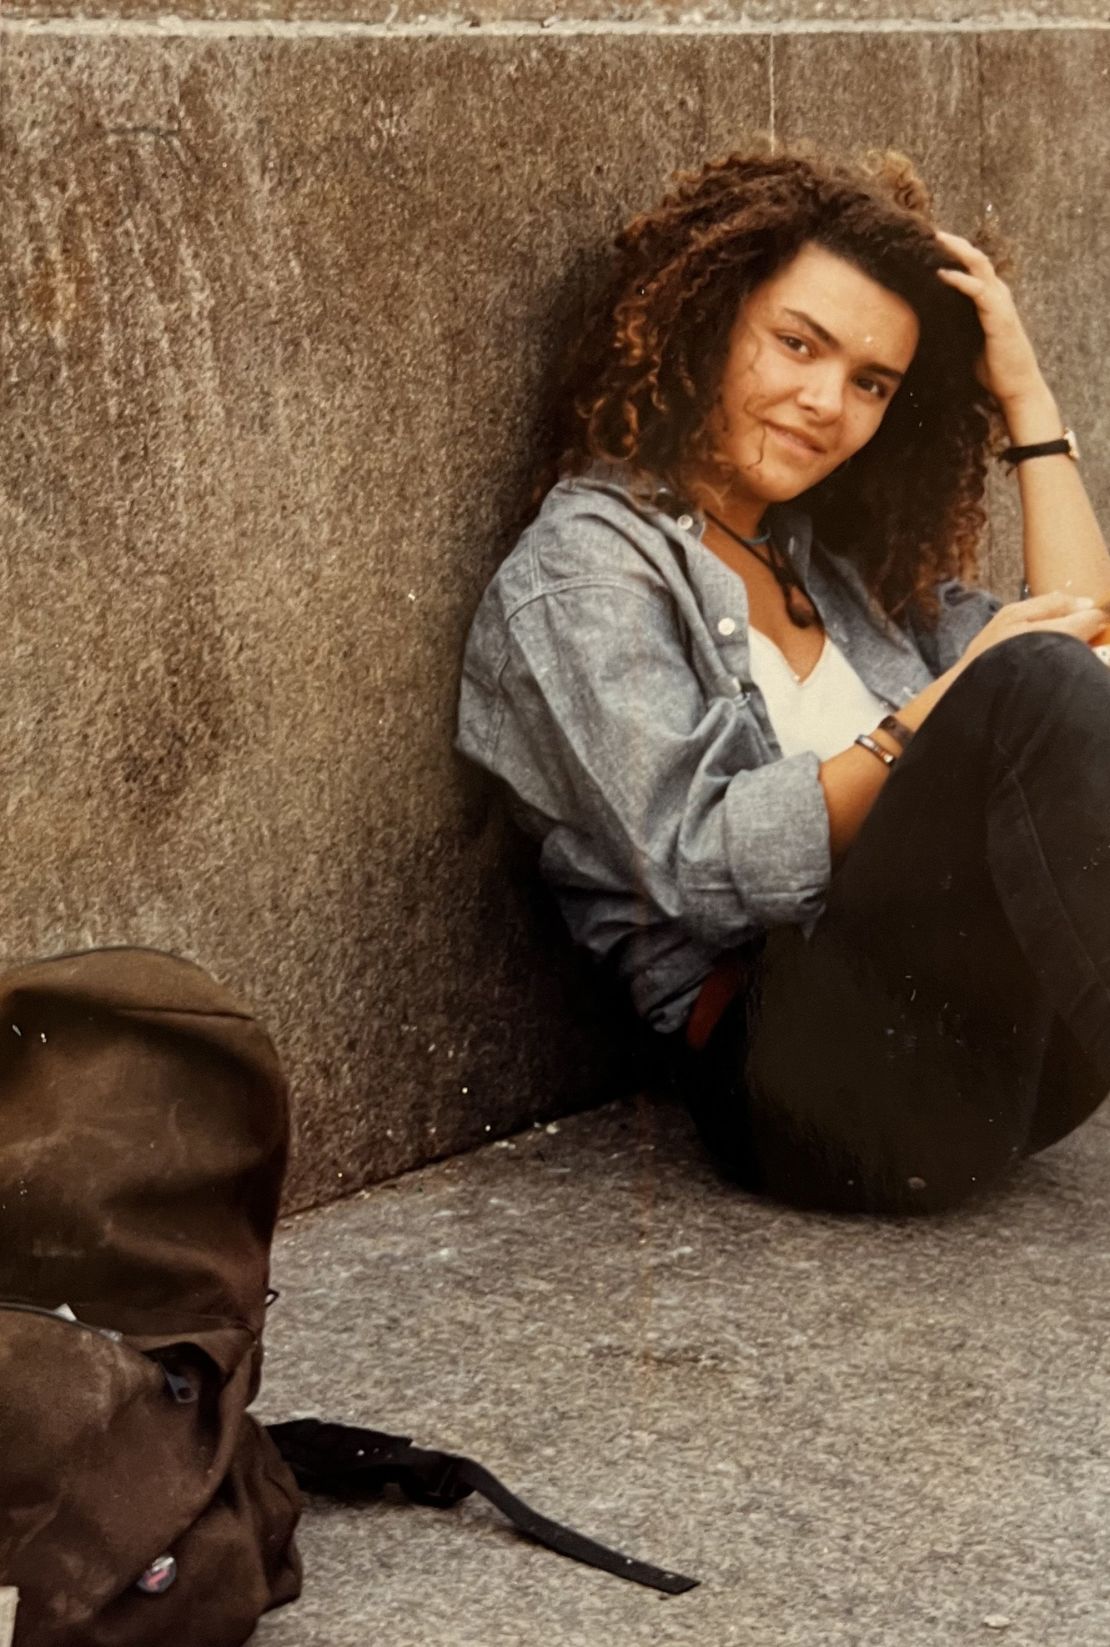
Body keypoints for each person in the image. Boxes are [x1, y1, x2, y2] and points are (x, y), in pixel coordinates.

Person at [455, 146, 1110, 1216]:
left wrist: (1025, 394)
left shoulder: (834, 567)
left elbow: (1084, 651)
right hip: (810, 1095)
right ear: (710, 322)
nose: (824, 403)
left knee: (1053, 679)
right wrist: (931, 713)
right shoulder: (583, 568)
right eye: (796, 345)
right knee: (1024, 682)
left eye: (871, 384)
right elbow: (698, 861)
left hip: (997, 1078)